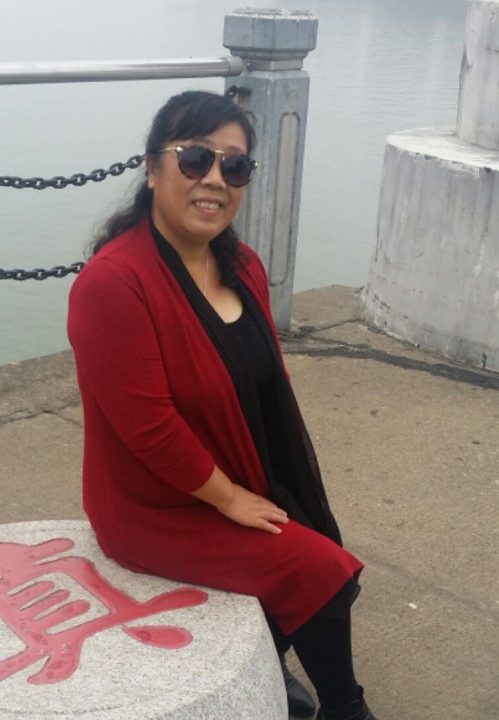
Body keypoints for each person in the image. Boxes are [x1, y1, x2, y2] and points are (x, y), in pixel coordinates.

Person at [67, 90, 377, 720]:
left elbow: (263, 387)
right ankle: (346, 710)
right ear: (152, 169)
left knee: (322, 541)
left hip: (241, 468)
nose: (214, 178)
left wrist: (269, 482)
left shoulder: (243, 265)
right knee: (319, 570)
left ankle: (261, 670)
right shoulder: (113, 285)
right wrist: (230, 498)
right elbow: (149, 427)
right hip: (156, 505)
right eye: (195, 158)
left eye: (234, 166)